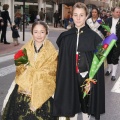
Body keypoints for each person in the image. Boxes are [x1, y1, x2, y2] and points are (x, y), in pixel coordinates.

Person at [53, 2, 105, 120]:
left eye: (81, 15)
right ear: (72, 15)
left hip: (86, 77)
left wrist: (93, 77)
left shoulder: (94, 37)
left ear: (86, 16)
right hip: (69, 76)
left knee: (86, 106)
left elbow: (99, 60)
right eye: (75, 14)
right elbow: (62, 60)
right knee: (71, 105)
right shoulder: (66, 37)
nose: (78, 18)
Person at [1, 21, 58, 120]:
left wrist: (36, 74)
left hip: (43, 89)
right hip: (24, 88)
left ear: (46, 33)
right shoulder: (25, 48)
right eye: (36, 32)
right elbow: (19, 69)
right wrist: (25, 70)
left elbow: (52, 71)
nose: (39, 35)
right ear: (32, 33)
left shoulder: (52, 51)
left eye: (42, 32)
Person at [105, 7, 120, 81]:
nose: (118, 13)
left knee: (115, 57)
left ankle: (113, 74)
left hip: (118, 42)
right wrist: (106, 32)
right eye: (117, 12)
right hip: (108, 41)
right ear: (113, 12)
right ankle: (109, 69)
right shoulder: (107, 20)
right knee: (108, 56)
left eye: (119, 12)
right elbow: (102, 29)